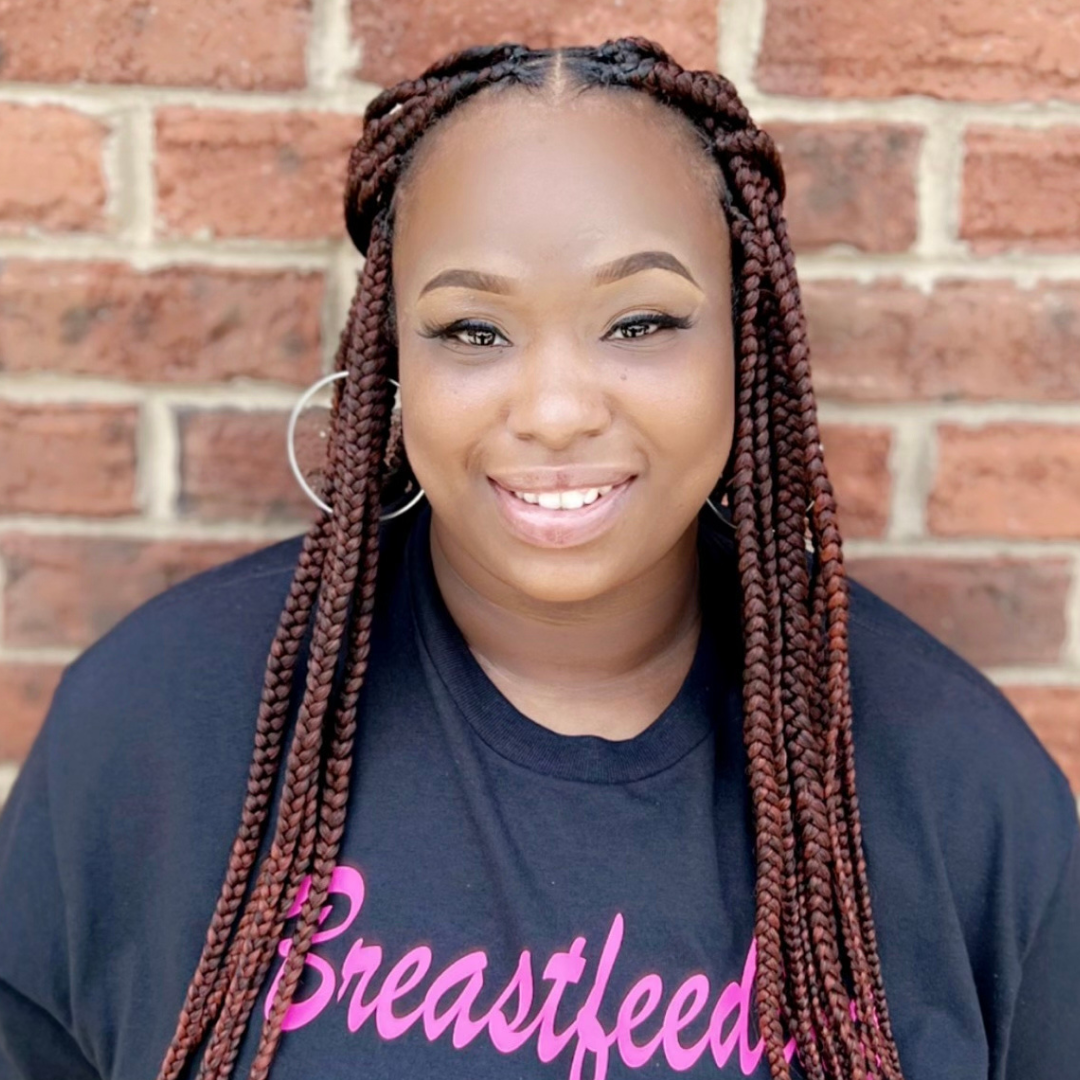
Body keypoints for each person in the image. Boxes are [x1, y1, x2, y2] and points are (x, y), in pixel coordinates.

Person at [0, 37, 1077, 1080]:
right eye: (473, 331)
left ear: (749, 347)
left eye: (642, 320)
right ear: (391, 358)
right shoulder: (154, 734)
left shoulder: (954, 791)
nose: (556, 410)